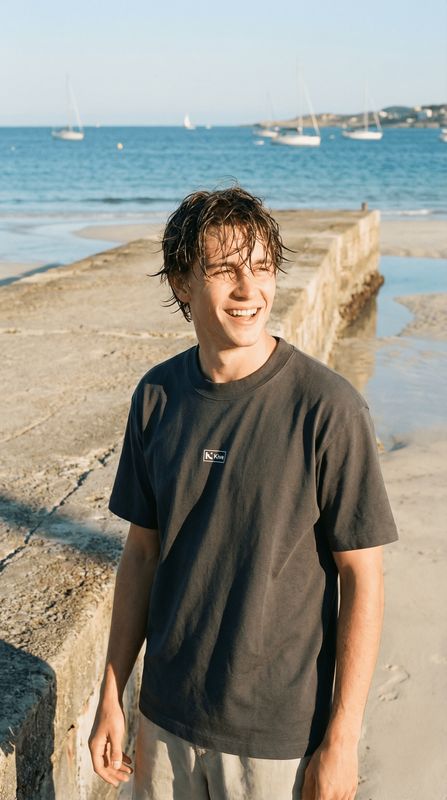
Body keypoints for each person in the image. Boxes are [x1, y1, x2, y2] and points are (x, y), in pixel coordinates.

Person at [89, 187, 398, 799]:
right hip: (164, 717)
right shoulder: (157, 397)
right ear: (181, 283)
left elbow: (364, 576)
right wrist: (112, 694)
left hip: (274, 735)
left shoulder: (327, 409)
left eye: (260, 268)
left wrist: (341, 738)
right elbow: (142, 555)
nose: (248, 290)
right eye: (224, 269)